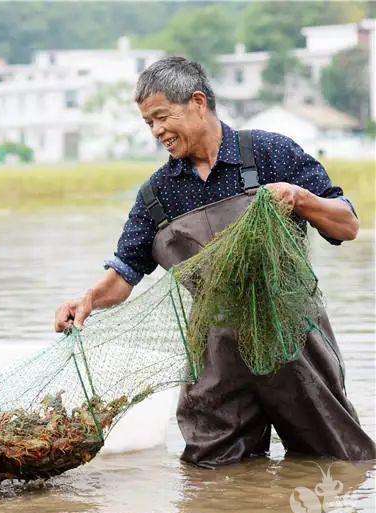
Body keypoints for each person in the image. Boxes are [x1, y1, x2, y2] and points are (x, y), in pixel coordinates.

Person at [54, 57, 375, 467]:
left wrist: (300, 197)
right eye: (148, 123)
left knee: (337, 465)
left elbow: (346, 225)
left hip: (295, 345)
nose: (155, 132)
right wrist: (88, 302)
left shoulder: (269, 153)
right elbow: (123, 275)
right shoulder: (158, 194)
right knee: (211, 480)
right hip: (216, 361)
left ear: (198, 102)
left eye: (161, 117)